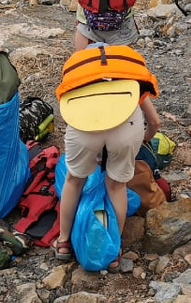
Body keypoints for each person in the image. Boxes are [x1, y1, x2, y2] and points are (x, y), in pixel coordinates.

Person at [53, 43, 160, 269]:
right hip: (126, 129)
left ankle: (63, 242)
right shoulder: (127, 73)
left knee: (74, 181)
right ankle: (114, 250)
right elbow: (155, 122)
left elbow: (68, 111)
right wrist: (143, 139)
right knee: (116, 186)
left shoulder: (80, 74)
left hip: (84, 127)